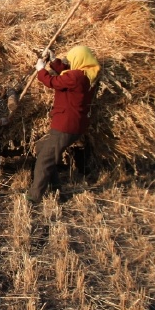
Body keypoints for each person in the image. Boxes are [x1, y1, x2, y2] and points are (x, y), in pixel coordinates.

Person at [28, 45, 100, 203]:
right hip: (73, 124)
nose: (69, 62)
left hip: (65, 125)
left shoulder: (76, 77)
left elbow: (52, 81)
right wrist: (53, 60)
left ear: (79, 60)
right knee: (41, 147)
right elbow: (66, 72)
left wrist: (41, 70)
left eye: (71, 60)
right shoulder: (87, 74)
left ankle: (34, 196)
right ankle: (55, 187)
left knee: (45, 159)